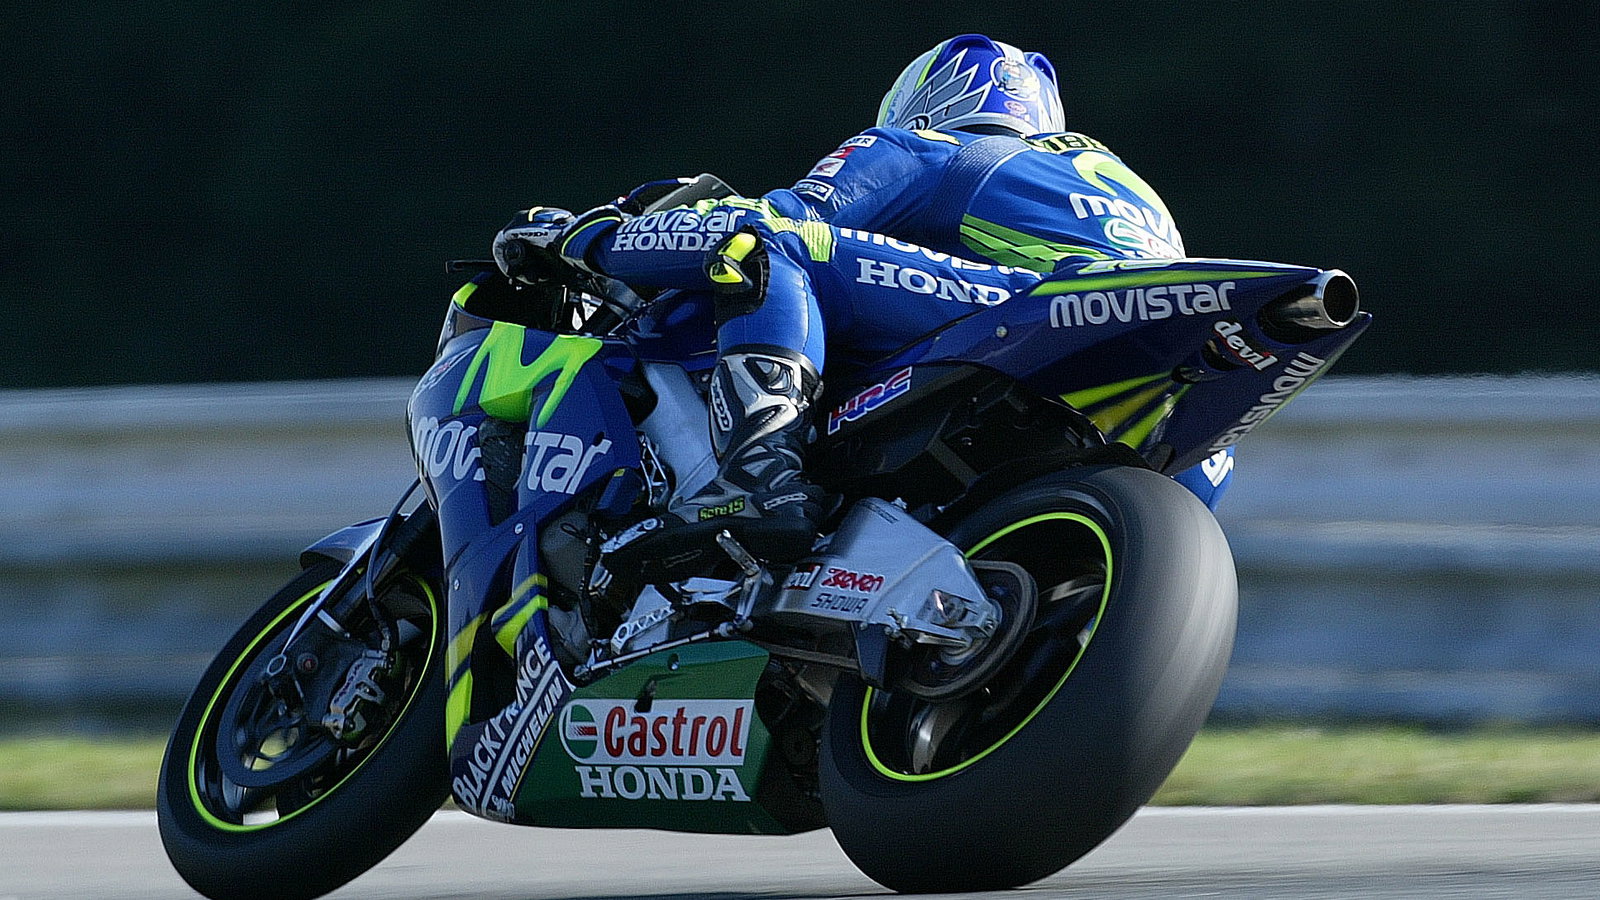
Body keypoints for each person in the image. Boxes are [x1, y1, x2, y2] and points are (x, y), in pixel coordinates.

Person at [492, 33, 1222, 582]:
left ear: (927, 100)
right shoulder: (1127, 188)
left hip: (1028, 309)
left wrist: (590, 240)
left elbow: (769, 221)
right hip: (1162, 411)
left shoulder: (932, 147)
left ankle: (758, 476)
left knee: (772, 248)